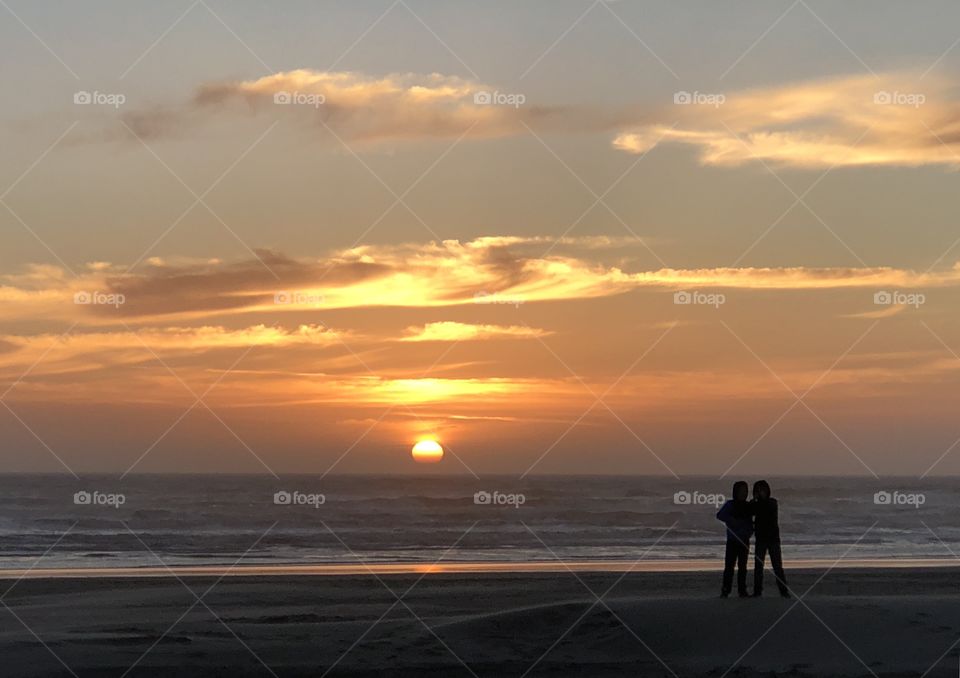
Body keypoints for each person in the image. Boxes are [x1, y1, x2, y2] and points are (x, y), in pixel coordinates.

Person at [751, 480, 790, 598]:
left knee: (777, 566)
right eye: (758, 490)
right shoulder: (755, 504)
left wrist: (756, 502)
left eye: (762, 490)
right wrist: (754, 501)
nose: (761, 493)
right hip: (761, 538)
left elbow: (764, 509)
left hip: (773, 538)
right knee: (758, 566)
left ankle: (783, 591)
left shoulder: (772, 502)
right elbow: (750, 512)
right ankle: (757, 591)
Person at [716, 481, 752, 598]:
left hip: (744, 540)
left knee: (743, 566)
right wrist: (732, 520)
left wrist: (749, 531)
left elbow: (751, 521)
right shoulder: (730, 504)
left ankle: (742, 590)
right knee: (729, 566)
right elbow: (720, 515)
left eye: (745, 491)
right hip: (732, 540)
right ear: (736, 492)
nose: (743, 493)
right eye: (741, 491)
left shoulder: (748, 506)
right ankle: (726, 590)